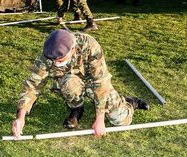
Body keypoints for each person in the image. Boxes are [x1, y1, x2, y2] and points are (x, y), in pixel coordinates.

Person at [11, 30, 149, 138]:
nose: (55, 63)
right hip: (73, 82)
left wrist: (99, 119)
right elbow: (33, 84)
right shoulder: (48, 54)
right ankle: (76, 109)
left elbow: (100, 82)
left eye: (60, 60)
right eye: (53, 60)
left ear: (72, 49)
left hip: (95, 82)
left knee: (120, 120)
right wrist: (20, 117)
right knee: (66, 82)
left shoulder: (90, 45)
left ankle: (130, 102)